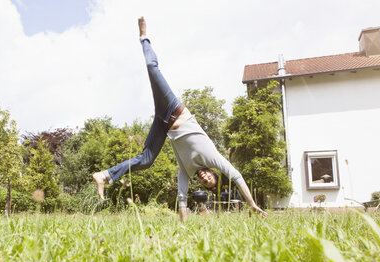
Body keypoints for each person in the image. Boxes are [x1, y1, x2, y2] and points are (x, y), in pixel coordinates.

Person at [93, 17, 267, 221]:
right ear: (213, 172)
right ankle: (144, 37)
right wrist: (252, 204)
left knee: (146, 160)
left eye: (204, 183)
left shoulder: (187, 170)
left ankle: (105, 175)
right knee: (152, 68)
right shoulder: (213, 157)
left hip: (162, 123)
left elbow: (182, 197)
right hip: (174, 108)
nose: (204, 178)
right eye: (209, 178)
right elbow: (236, 176)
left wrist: (183, 228)